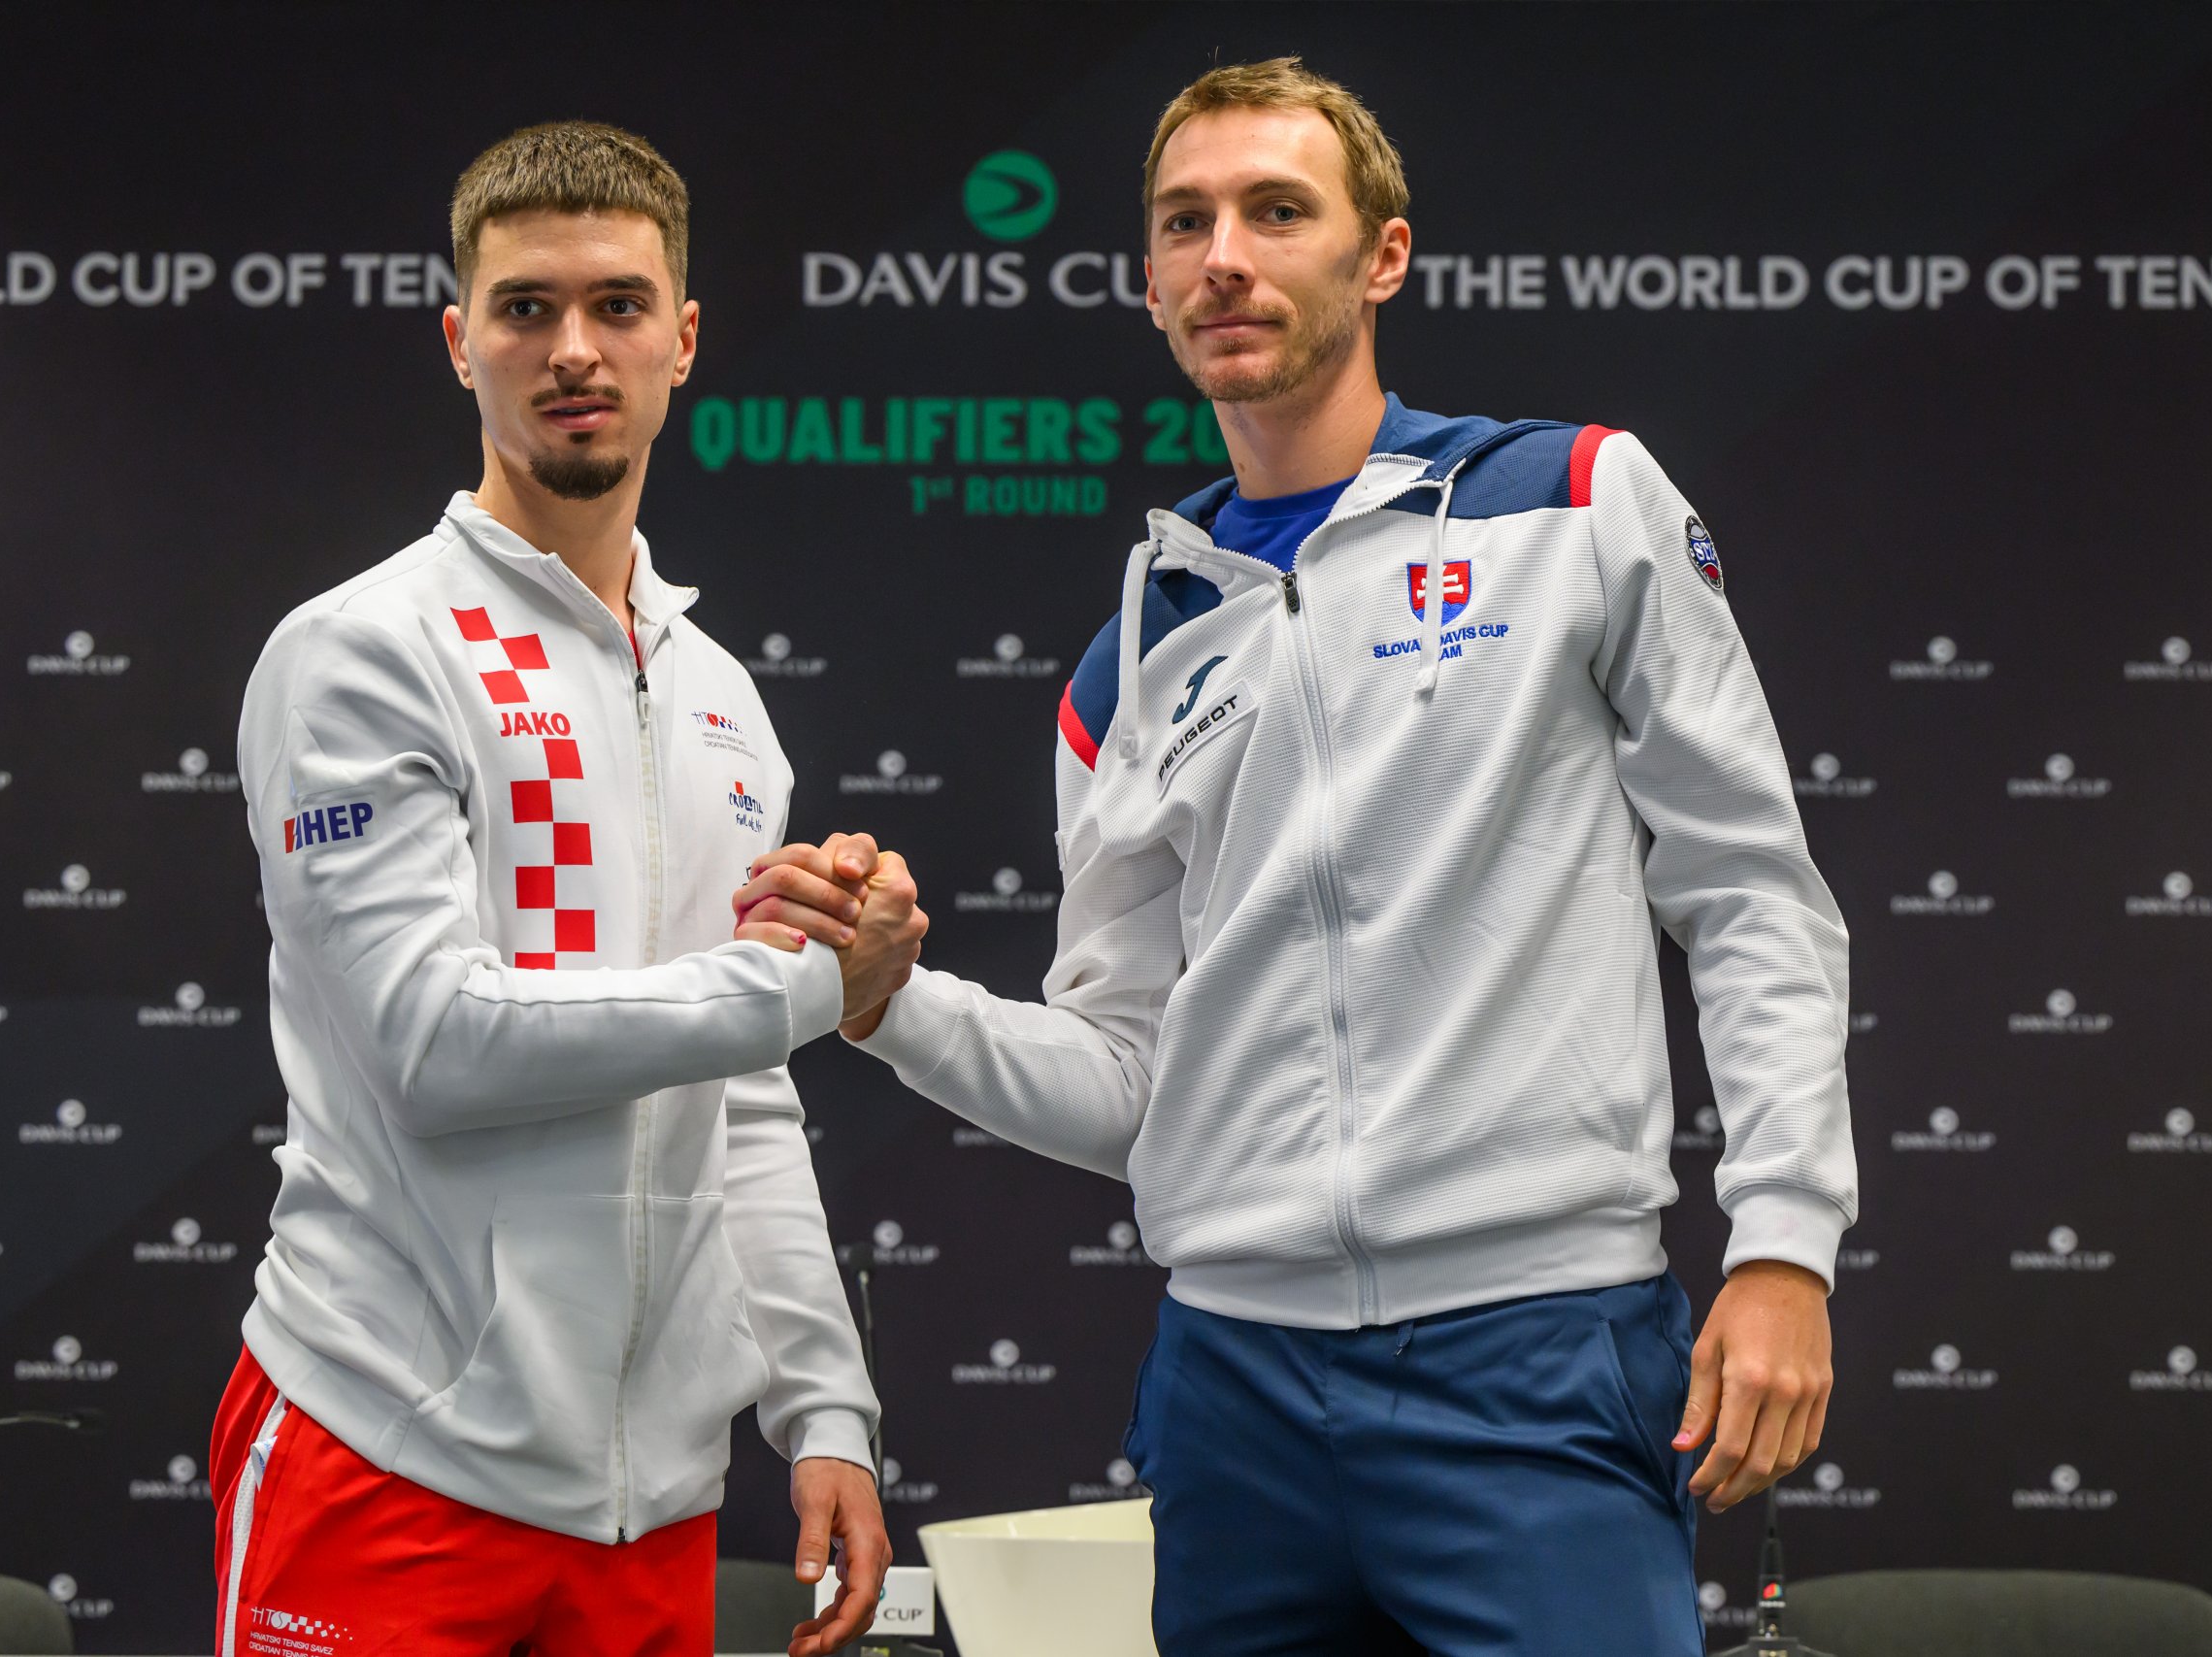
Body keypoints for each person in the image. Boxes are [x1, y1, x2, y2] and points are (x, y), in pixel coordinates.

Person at [743, 58, 1857, 1654]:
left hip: (1536, 1351)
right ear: (1146, 282)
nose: (1225, 259)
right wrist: (889, 1002)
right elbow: (1126, 1079)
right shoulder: (1132, 663)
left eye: (1276, 212)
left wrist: (1785, 1244)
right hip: (1235, 1393)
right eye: (1184, 224)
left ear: (1380, 254)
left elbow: (1749, 895)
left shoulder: (1574, 504)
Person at [211, 121, 921, 1657]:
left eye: (618, 306)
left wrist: (823, 1408)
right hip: (385, 1455)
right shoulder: (362, 651)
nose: (574, 349)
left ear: (685, 341)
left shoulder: (723, 697)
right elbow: (432, 1045)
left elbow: (739, 1099)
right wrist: (808, 990)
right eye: (527, 308)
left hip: (649, 1510)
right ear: (460, 342)